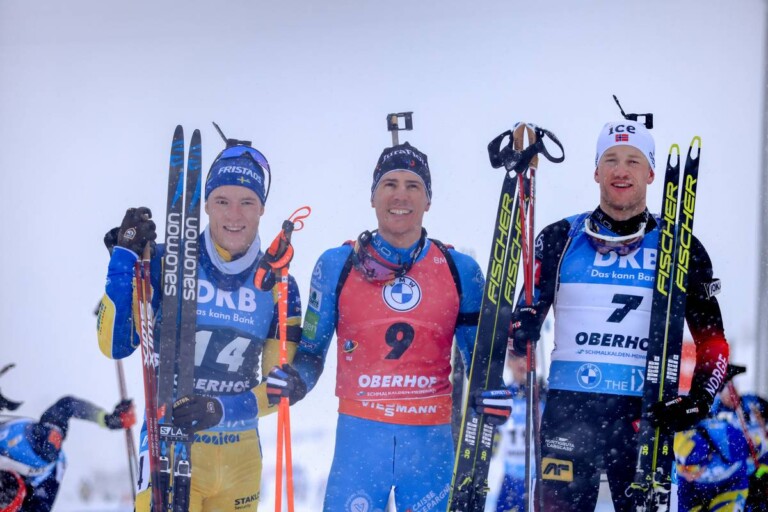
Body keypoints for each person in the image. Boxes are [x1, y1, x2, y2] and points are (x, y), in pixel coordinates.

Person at [508, 120, 730, 512]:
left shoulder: (681, 247)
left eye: (633, 160)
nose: (621, 171)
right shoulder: (560, 238)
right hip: (570, 410)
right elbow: (522, 325)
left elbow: (714, 343)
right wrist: (520, 326)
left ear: (651, 173)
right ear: (596, 171)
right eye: (610, 159)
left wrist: (700, 399)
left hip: (643, 414)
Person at [276, 142, 509, 511]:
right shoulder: (337, 264)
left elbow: (481, 365)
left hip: (430, 448)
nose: (401, 195)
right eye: (390, 184)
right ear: (372, 196)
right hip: (359, 447)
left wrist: (493, 394)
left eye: (413, 185)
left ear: (428, 200)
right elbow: (310, 353)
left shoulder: (460, 269)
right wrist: (296, 381)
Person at [97, 133, 302, 512]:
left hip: (241, 458)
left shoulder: (279, 284)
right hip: (168, 448)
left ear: (262, 208)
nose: (234, 215)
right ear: (205, 204)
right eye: (222, 201)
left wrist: (222, 409)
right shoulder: (163, 261)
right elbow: (114, 345)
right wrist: (124, 261)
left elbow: (279, 389)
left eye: (247, 202)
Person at [0, 394, 135, 512]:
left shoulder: (40, 439)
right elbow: (66, 406)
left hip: (28, 444)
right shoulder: (43, 490)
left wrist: (107, 419)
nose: (55, 440)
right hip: (40, 478)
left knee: (48, 443)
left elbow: (67, 405)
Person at [490, 353, 546, 512]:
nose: (521, 362)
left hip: (539, 480)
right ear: (508, 363)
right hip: (511, 481)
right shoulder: (503, 396)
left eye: (527, 357)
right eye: (515, 357)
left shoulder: (545, 395)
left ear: (536, 362)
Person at [708, 364, 768, 511]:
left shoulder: (752, 401)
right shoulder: (715, 411)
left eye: (733, 388)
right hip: (738, 471)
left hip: (762, 465)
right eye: (726, 391)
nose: (732, 394)